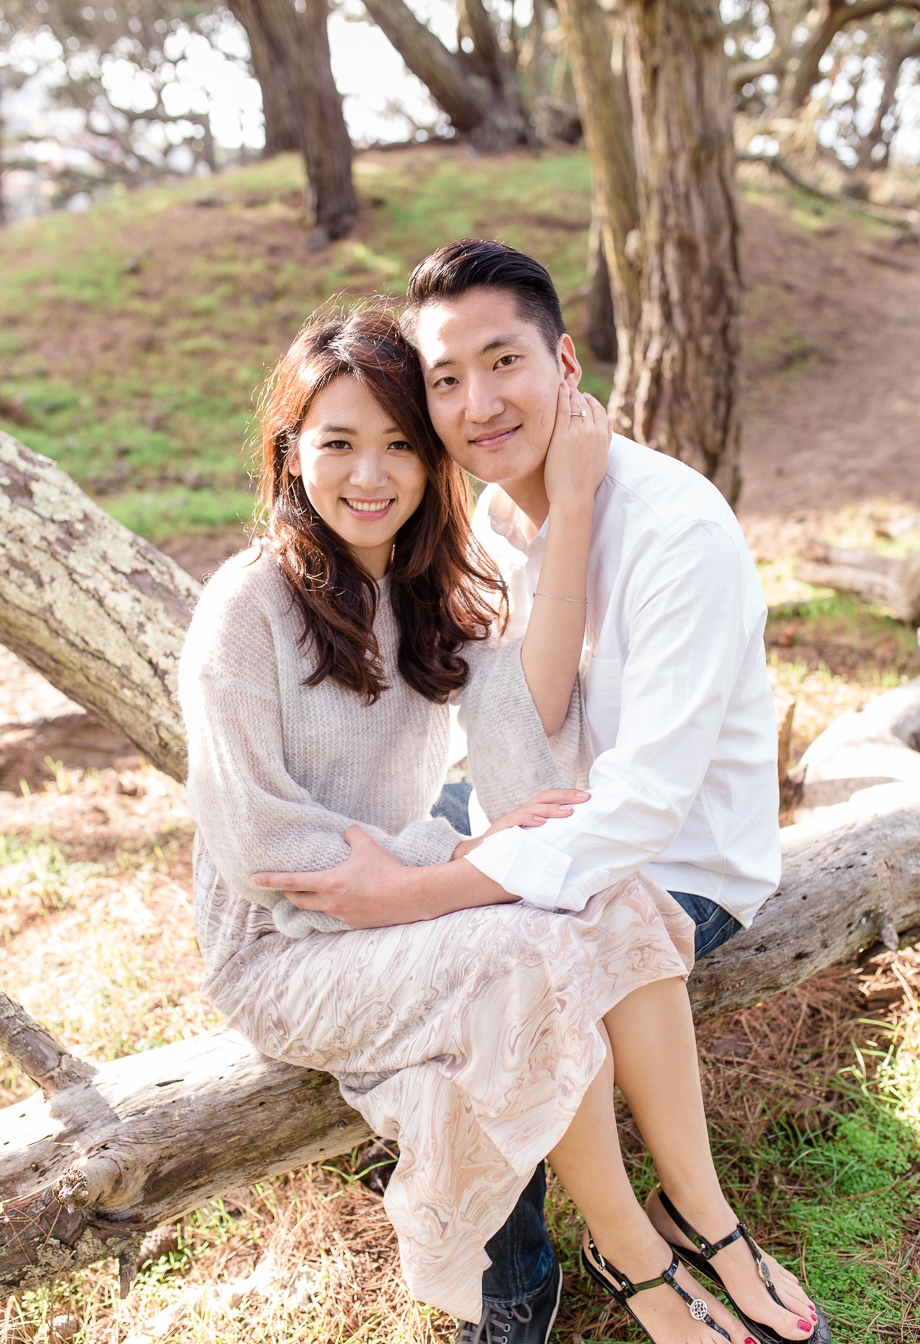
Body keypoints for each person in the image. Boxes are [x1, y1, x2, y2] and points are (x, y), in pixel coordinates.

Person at [258, 249, 829, 1344]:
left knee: (513, 951)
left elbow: (641, 810)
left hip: (676, 868)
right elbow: (499, 727)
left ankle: (668, 1231)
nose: (478, 404)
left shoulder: (676, 530)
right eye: (445, 378)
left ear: (564, 364)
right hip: (529, 842)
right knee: (483, 957)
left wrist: (419, 893)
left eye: (504, 361)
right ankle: (513, 1276)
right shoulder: (474, 531)